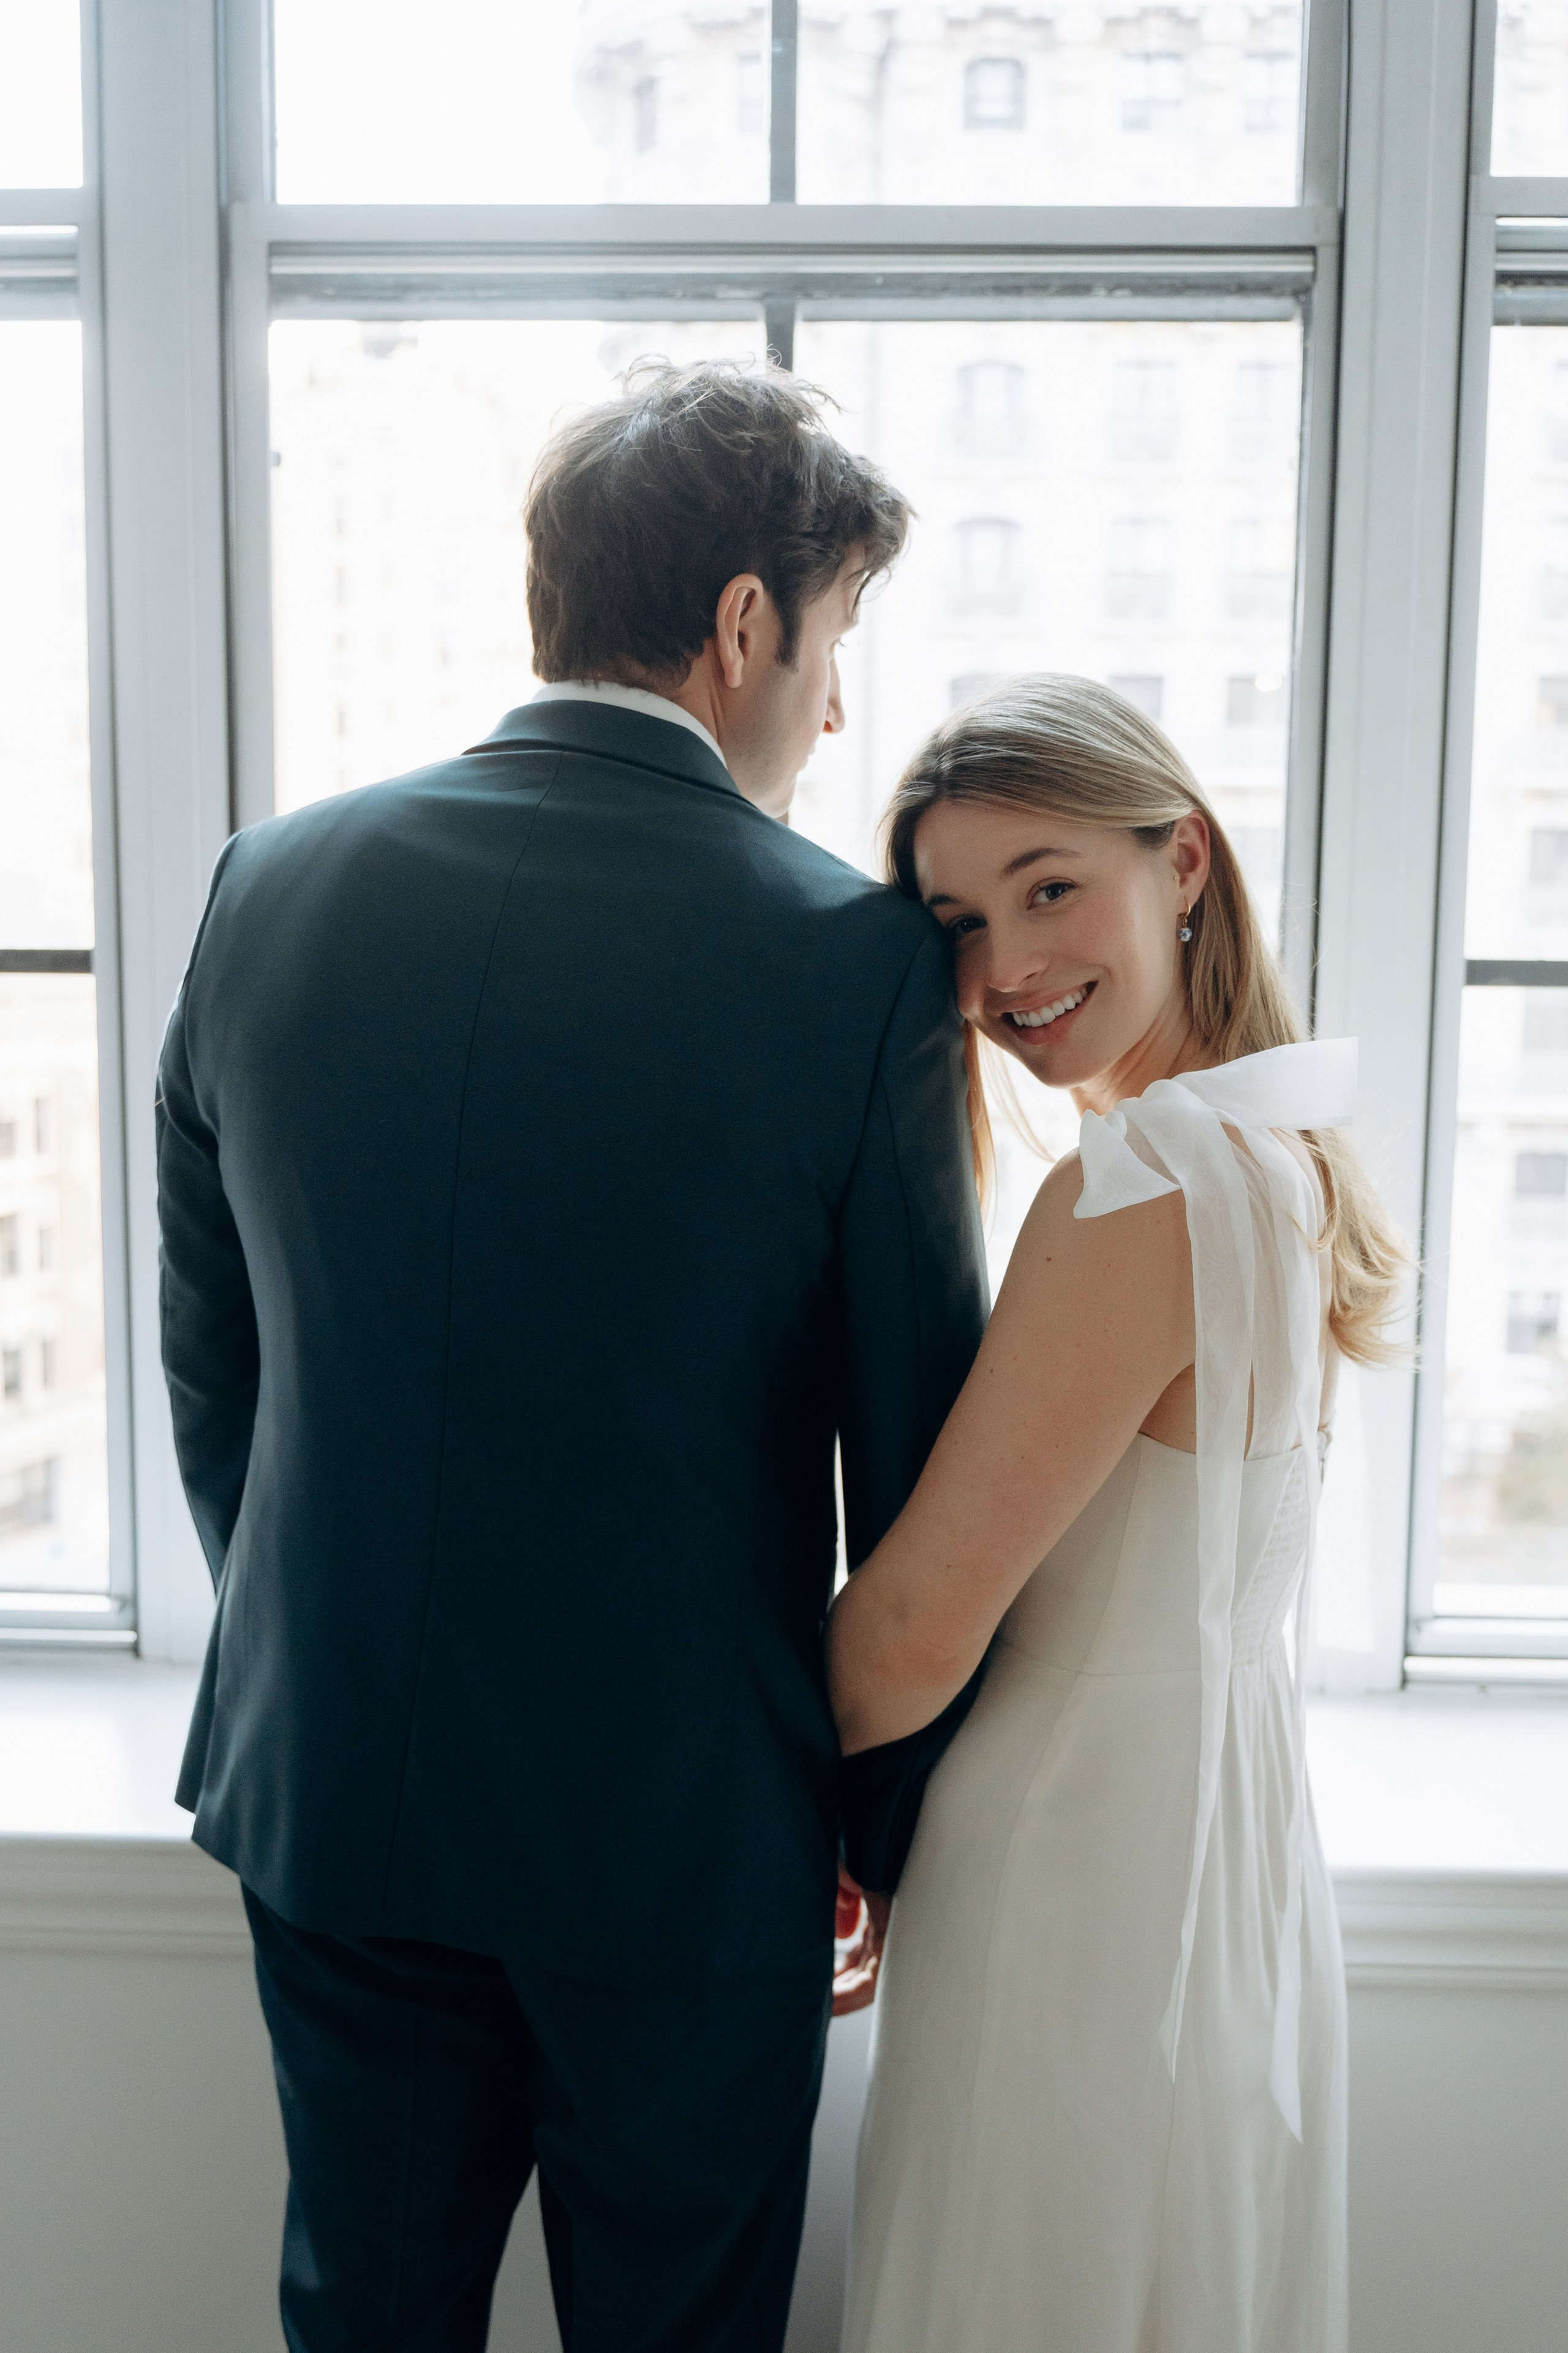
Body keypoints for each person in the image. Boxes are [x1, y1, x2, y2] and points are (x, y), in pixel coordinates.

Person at [156, 359, 989, 2353]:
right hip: (688, 1852)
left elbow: (217, 1371)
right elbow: (928, 1458)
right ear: (740, 624)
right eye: (838, 638)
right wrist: (865, 1828)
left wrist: (325, 1659)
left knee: (364, 2321)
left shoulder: (265, 889)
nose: (837, 704)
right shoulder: (849, 961)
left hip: (339, 1793)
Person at [829, 677, 1406, 2353]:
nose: (1007, 962)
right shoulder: (1278, 1146)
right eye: (957, 917)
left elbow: (917, 1634)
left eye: (1049, 883)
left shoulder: (1140, 1179)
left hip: (1072, 1876)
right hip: (1212, 1849)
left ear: (1186, 865)